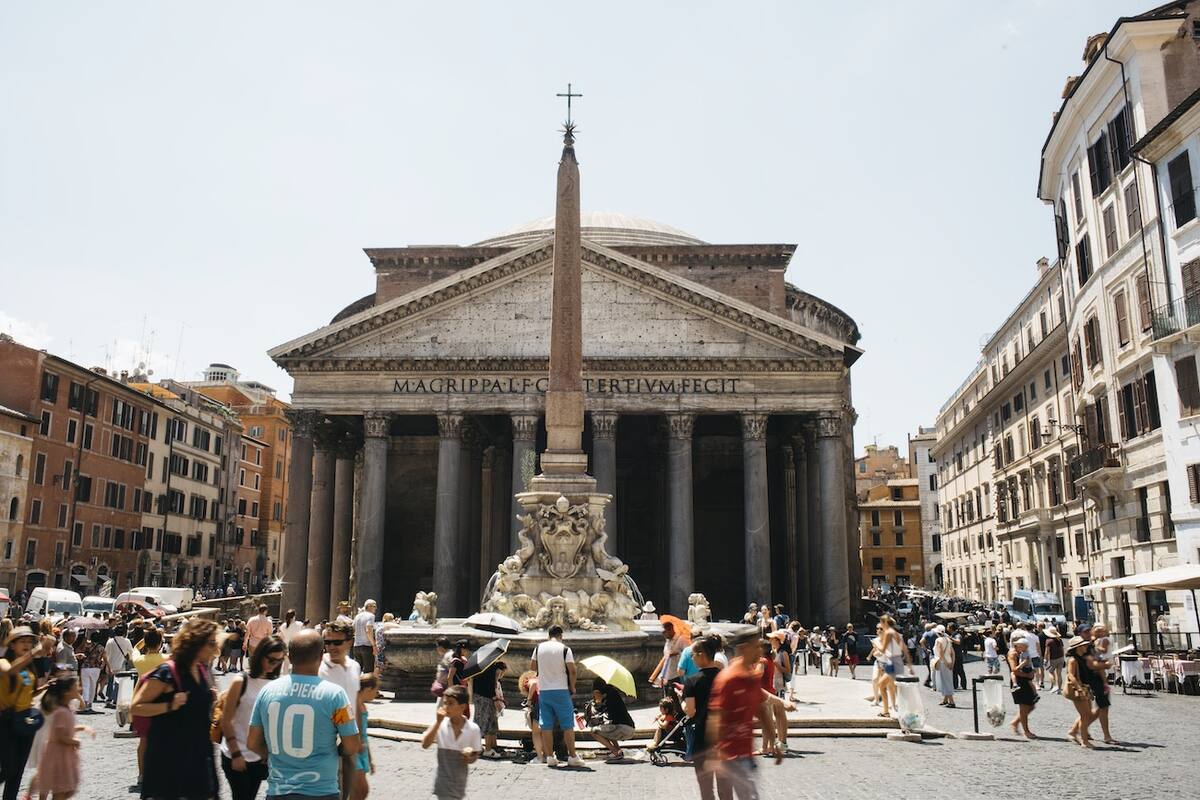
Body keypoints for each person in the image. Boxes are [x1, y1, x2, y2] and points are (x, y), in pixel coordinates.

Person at [248, 629, 361, 800]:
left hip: (278, 791)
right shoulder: (335, 696)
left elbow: (252, 742)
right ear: (320, 655)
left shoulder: (267, 692)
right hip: (321, 790)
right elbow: (352, 745)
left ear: (289, 657)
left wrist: (269, 754)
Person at [130, 617, 221, 800]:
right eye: (211, 643)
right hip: (170, 760)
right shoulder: (167, 672)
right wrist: (170, 704)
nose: (216, 649)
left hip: (199, 758)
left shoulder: (202, 671)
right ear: (196, 643)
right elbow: (137, 707)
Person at [707, 628, 778, 800]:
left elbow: (761, 711)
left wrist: (774, 741)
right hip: (727, 754)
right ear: (745, 648)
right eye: (757, 647)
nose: (760, 651)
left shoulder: (752, 676)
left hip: (745, 754)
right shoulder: (728, 679)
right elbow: (716, 718)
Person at [219, 636, 285, 800]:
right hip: (236, 753)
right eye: (270, 660)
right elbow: (226, 720)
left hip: (260, 757)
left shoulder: (278, 683)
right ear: (260, 655)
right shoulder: (241, 681)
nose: (274, 665)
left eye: (279, 661)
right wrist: (236, 754)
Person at [0, 626, 56, 800]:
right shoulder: (3, 662)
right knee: (8, 768)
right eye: (22, 641)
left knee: (17, 770)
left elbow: (29, 693)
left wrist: (46, 687)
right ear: (12, 645)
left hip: (25, 720)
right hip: (6, 721)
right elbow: (10, 672)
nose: (27, 644)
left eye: (29, 642)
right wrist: (34, 653)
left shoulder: (29, 667)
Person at [529, 624, 583, 768]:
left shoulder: (538, 648)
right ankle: (572, 756)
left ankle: (549, 757)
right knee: (567, 725)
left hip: (544, 691)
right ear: (561, 635)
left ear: (548, 635)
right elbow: (572, 671)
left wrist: (546, 668)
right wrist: (572, 686)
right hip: (561, 690)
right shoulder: (565, 649)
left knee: (546, 725)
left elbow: (532, 667)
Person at [319, 620, 362, 799]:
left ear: (349, 642)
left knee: (347, 786)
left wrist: (360, 736)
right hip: (325, 734)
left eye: (337, 642)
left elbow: (357, 702)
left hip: (349, 733)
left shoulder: (355, 666)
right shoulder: (317, 667)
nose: (331, 647)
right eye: (327, 642)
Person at [33, 676, 88, 800]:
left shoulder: (67, 707)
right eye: (76, 686)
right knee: (59, 787)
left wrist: (81, 729)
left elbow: (81, 707)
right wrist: (75, 741)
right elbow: (60, 735)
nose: (80, 688)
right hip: (57, 752)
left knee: (64, 788)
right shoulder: (60, 710)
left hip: (64, 752)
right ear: (66, 692)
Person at [421, 686, 479, 800]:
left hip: (459, 786)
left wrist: (469, 757)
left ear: (463, 707)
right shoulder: (440, 725)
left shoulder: (473, 729)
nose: (445, 707)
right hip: (442, 785)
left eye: (450, 703)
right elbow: (425, 744)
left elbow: (475, 756)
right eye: (444, 703)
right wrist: (437, 723)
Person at [683, 635, 722, 799]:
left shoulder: (692, 681)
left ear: (701, 654)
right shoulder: (725, 677)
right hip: (725, 735)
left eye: (693, 654)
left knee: (706, 788)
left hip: (702, 735)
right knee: (725, 786)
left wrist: (682, 703)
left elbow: (690, 711)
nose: (692, 658)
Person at [466, 657, 504, 759]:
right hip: (487, 698)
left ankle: (477, 746)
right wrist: (495, 699)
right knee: (488, 722)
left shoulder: (479, 667)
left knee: (478, 721)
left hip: (477, 696)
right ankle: (488, 749)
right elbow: (490, 686)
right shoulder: (491, 667)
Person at [589, 677, 634, 761]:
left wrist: (598, 702)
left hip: (623, 728)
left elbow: (603, 712)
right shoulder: (611, 693)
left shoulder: (610, 697)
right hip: (628, 727)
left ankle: (615, 752)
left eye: (594, 693)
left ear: (597, 691)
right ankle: (618, 750)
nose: (594, 696)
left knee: (594, 732)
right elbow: (603, 712)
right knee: (606, 729)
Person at [1063, 635, 1095, 748]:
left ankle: (1073, 732)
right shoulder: (1073, 659)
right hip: (1079, 689)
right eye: (1083, 645)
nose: (1086, 646)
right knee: (1085, 715)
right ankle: (1084, 740)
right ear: (1078, 647)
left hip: (1085, 687)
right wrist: (1079, 688)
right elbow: (1070, 675)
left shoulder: (1082, 657)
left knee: (1087, 714)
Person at [352, 674, 379, 800]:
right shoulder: (353, 705)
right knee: (362, 790)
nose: (377, 693)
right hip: (354, 750)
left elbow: (365, 734)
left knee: (359, 792)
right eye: (376, 690)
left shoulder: (363, 706)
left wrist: (369, 758)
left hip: (362, 751)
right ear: (368, 689)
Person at [1006, 633, 1038, 739]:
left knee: (1031, 705)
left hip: (1024, 680)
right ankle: (1026, 731)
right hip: (1019, 682)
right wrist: (1027, 674)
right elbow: (1014, 670)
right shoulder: (1013, 654)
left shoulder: (1022, 652)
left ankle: (1015, 722)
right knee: (1024, 707)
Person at [102, 624, 134, 709]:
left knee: (110, 682)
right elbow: (131, 652)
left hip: (110, 664)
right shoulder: (127, 641)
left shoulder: (110, 641)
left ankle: (108, 698)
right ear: (124, 632)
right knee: (118, 683)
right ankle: (115, 700)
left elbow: (106, 653)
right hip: (120, 665)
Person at [517, 671, 544, 763]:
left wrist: (528, 700)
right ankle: (548, 755)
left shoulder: (531, 680)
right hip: (550, 701)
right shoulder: (545, 678)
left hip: (540, 704)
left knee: (536, 732)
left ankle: (540, 757)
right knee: (546, 731)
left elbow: (534, 684)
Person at [931, 624, 955, 708]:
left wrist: (945, 663)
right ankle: (945, 700)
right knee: (948, 680)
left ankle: (951, 701)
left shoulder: (938, 640)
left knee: (945, 681)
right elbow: (952, 653)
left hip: (942, 662)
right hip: (949, 661)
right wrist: (952, 663)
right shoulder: (948, 640)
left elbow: (940, 653)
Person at [352, 601, 377, 674]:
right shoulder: (371, 616)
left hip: (356, 646)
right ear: (368, 606)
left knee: (357, 672)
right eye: (374, 606)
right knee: (368, 673)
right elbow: (368, 630)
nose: (376, 608)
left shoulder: (357, 616)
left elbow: (352, 628)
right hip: (367, 646)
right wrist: (374, 645)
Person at [1043, 626, 1065, 694]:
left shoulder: (1049, 641)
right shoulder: (1059, 640)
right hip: (1061, 658)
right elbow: (1062, 649)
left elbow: (1047, 652)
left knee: (1050, 672)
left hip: (1053, 658)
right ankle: (1059, 689)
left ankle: (1055, 686)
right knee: (1059, 674)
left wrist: (1045, 659)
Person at [948, 623, 967, 690]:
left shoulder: (957, 635)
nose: (947, 628)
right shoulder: (953, 635)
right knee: (954, 672)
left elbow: (958, 642)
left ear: (950, 628)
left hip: (957, 656)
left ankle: (963, 685)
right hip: (953, 656)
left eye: (948, 627)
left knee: (960, 671)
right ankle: (955, 685)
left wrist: (951, 639)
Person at [919, 623, 937, 688]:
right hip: (927, 654)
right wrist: (926, 650)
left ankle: (928, 681)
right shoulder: (927, 634)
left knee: (931, 669)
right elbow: (921, 642)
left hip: (926, 653)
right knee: (931, 669)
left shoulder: (926, 634)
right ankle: (927, 682)